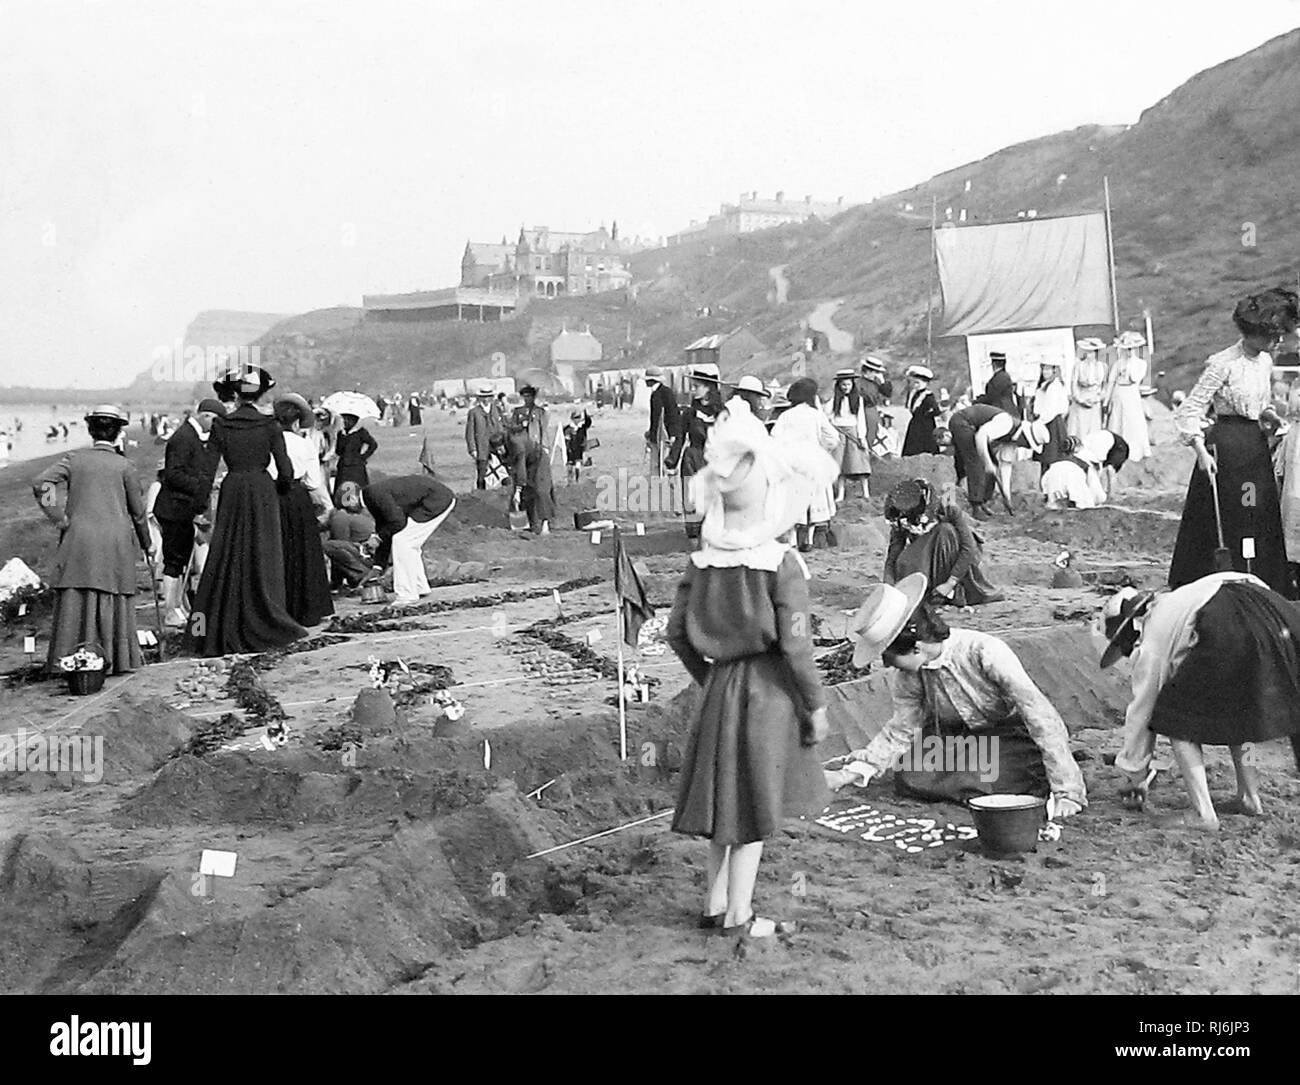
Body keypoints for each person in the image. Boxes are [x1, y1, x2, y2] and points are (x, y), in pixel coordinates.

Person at [666, 407, 837, 938]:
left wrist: (710, 679)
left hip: (719, 687)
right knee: (754, 806)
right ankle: (740, 914)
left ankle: (715, 902)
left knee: (725, 802)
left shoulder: (701, 563)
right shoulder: (781, 564)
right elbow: (797, 644)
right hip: (768, 690)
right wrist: (815, 704)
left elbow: (676, 633)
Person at [825, 577, 1087, 811]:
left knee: (982, 774)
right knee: (911, 775)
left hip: (1006, 735)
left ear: (916, 648)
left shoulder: (984, 651)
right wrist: (849, 774)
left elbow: (1040, 717)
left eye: (890, 657)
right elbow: (902, 728)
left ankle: (1015, 773)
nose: (888, 665)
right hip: (951, 739)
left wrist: (1067, 792)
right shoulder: (908, 676)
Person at [1103, 574, 1300, 831]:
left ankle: (1203, 814)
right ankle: (1250, 797)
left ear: (1131, 628)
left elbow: (1143, 710)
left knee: (1175, 718)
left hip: (1231, 625)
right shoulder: (1183, 599)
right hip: (1273, 611)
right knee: (1242, 713)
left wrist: (1134, 773)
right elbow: (1250, 582)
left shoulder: (1154, 636)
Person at [1168, 287, 1299, 595]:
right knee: (1231, 513)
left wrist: (1270, 417)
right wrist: (1200, 450)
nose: (1277, 343)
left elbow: (1259, 404)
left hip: (1254, 448)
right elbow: (1190, 409)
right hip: (1225, 449)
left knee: (1254, 510)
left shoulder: (1265, 361)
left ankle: (1259, 576)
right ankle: (1222, 580)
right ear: (1254, 332)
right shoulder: (1222, 364)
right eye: (1272, 336)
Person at [189, 367, 307, 656]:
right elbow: (286, 470)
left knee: (227, 552)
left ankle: (206, 627)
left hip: (233, 489)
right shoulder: (270, 425)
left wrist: (201, 506)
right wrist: (281, 489)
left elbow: (207, 470)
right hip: (261, 490)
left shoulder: (221, 425)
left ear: (235, 395)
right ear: (261, 394)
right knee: (264, 555)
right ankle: (269, 617)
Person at [32, 405, 153, 675]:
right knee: (113, 593)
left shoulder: (74, 459)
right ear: (118, 432)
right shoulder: (125, 466)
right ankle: (115, 659)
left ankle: (68, 658)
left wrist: (58, 516)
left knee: (76, 594)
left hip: (79, 538)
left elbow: (42, 483)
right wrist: (147, 543)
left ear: (90, 430)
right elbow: (138, 513)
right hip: (114, 541)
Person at [151, 397, 223, 627]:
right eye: (215, 421)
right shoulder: (183, 438)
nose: (216, 426)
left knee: (181, 560)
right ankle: (171, 611)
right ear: (204, 416)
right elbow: (173, 474)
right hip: (174, 508)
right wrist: (201, 486)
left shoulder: (190, 436)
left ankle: (178, 607)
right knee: (174, 561)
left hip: (181, 508)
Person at [883, 479, 1002, 607]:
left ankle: (950, 592)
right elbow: (893, 557)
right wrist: (889, 587)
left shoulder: (948, 509)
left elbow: (968, 548)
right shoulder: (901, 516)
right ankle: (928, 591)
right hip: (927, 555)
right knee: (904, 561)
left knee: (945, 531)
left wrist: (950, 583)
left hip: (954, 553)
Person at [273, 398, 334, 627]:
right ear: (296, 423)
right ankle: (309, 608)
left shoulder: (269, 442)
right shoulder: (304, 444)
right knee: (304, 551)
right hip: (297, 496)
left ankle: (281, 607)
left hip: (273, 496)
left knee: (278, 551)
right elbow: (313, 482)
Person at [770, 377, 841, 551]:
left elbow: (774, 437)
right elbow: (833, 437)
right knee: (814, 499)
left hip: (793, 463)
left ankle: (793, 539)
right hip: (813, 461)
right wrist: (822, 449)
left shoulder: (786, 416)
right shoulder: (816, 415)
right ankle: (808, 539)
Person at [362, 475, 456, 605]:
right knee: (408, 542)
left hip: (436, 501)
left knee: (403, 542)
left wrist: (378, 538)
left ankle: (407, 594)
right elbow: (387, 530)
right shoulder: (372, 496)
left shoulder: (374, 497)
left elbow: (398, 523)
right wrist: (377, 566)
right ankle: (419, 586)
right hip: (436, 497)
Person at [666, 371, 724, 545]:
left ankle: (714, 535)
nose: (693, 390)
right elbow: (680, 437)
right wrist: (671, 461)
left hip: (715, 460)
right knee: (692, 497)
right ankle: (694, 536)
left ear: (709, 388)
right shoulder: (690, 413)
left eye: (697, 386)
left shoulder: (722, 413)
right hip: (693, 458)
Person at [946, 402, 1020, 519]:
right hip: (962, 422)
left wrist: (1007, 496)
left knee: (993, 463)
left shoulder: (1011, 439)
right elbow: (980, 436)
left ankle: (983, 500)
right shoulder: (1006, 423)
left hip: (973, 428)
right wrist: (987, 462)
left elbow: (1004, 468)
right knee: (976, 462)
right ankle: (976, 506)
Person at [506, 385, 555, 534]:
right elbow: (512, 429)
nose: (527, 399)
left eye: (529, 396)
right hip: (524, 449)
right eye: (525, 396)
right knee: (525, 490)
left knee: (541, 489)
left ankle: (545, 521)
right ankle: (525, 523)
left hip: (537, 450)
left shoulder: (540, 412)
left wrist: (545, 447)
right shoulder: (518, 412)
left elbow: (543, 429)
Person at [1041, 431, 1130, 510]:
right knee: (1085, 509)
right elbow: (1098, 496)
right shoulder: (1088, 466)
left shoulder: (1058, 463)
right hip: (1073, 478)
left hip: (1052, 476)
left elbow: (1044, 482)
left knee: (1054, 508)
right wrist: (1105, 498)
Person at [1103, 331, 1152, 462]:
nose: (1129, 352)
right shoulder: (1118, 364)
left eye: (1131, 349)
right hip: (1119, 393)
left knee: (1133, 422)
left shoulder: (1141, 364)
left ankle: (1135, 451)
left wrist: (1130, 365)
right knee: (1117, 421)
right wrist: (1106, 402)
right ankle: (1118, 451)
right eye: (1127, 349)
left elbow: (1135, 378)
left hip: (1131, 394)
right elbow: (1111, 382)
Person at [323, 482, 377, 591]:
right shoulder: (367, 511)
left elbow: (339, 546)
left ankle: (362, 575)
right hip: (377, 556)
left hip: (368, 556)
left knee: (330, 546)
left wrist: (336, 582)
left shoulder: (341, 516)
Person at [826, 369, 870, 502]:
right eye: (843, 385)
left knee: (859, 462)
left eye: (849, 384)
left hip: (853, 432)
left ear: (852, 385)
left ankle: (866, 492)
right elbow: (827, 416)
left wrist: (861, 437)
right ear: (839, 385)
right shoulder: (833, 401)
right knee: (841, 464)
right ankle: (841, 494)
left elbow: (861, 419)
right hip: (839, 434)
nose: (846, 387)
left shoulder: (858, 400)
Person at [1031, 360, 1070, 471]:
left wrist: (1040, 422)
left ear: (1054, 370)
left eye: (1048, 369)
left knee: (1051, 457)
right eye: (1044, 369)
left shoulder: (1054, 386)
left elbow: (1050, 409)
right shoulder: (1045, 385)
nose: (1045, 372)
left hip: (1051, 423)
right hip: (1046, 421)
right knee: (1046, 459)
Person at [333, 413, 378, 504]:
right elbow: (338, 451)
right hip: (343, 466)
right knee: (342, 488)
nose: (345, 422)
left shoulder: (361, 432)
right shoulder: (341, 434)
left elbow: (373, 444)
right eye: (344, 419)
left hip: (356, 467)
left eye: (348, 420)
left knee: (358, 488)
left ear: (354, 421)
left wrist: (363, 457)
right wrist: (343, 438)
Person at [1068, 338, 1108, 439]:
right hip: (1082, 399)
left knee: (1094, 429)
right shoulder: (1078, 366)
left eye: (1092, 352)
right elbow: (1073, 385)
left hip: (1095, 402)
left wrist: (1098, 398)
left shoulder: (1102, 366)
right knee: (1081, 429)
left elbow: (1104, 387)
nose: (1089, 355)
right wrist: (1080, 399)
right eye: (1087, 352)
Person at [644, 366, 680, 477]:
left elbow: (673, 414)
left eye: (647, 380)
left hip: (665, 435)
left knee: (663, 463)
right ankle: (656, 484)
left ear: (652, 380)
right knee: (655, 464)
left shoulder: (666, 393)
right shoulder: (654, 393)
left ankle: (664, 483)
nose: (645, 382)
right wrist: (650, 432)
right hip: (656, 436)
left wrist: (672, 434)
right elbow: (654, 418)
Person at [901, 365, 941, 456]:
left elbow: (936, 411)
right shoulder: (913, 394)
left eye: (918, 383)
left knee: (926, 448)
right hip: (915, 424)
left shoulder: (928, 396)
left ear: (925, 383)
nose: (916, 385)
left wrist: (927, 414)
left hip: (926, 426)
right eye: (915, 383)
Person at [465, 385, 499, 489]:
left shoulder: (497, 410)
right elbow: (470, 432)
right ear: (479, 398)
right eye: (484, 397)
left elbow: (502, 427)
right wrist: (472, 449)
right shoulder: (473, 412)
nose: (486, 399)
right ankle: (481, 494)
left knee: (503, 474)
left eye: (489, 396)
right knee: (482, 475)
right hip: (481, 448)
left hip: (497, 447)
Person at [856, 356, 889, 452]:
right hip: (864, 411)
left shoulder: (875, 383)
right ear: (868, 371)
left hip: (873, 411)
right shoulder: (859, 383)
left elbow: (887, 393)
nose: (876, 375)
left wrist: (882, 381)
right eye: (875, 372)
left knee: (875, 434)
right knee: (868, 435)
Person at [976, 351, 1019, 415]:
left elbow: (991, 397)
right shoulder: (1003, 376)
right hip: (1005, 411)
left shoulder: (999, 378)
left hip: (1002, 412)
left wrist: (976, 402)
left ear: (994, 364)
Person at [562, 408, 592, 484]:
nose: (577, 419)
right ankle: (569, 481)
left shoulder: (582, 428)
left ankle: (577, 480)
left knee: (578, 466)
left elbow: (588, 422)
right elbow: (565, 440)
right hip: (570, 450)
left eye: (579, 417)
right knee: (569, 467)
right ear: (572, 419)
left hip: (579, 450)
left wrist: (586, 414)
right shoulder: (567, 428)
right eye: (576, 418)